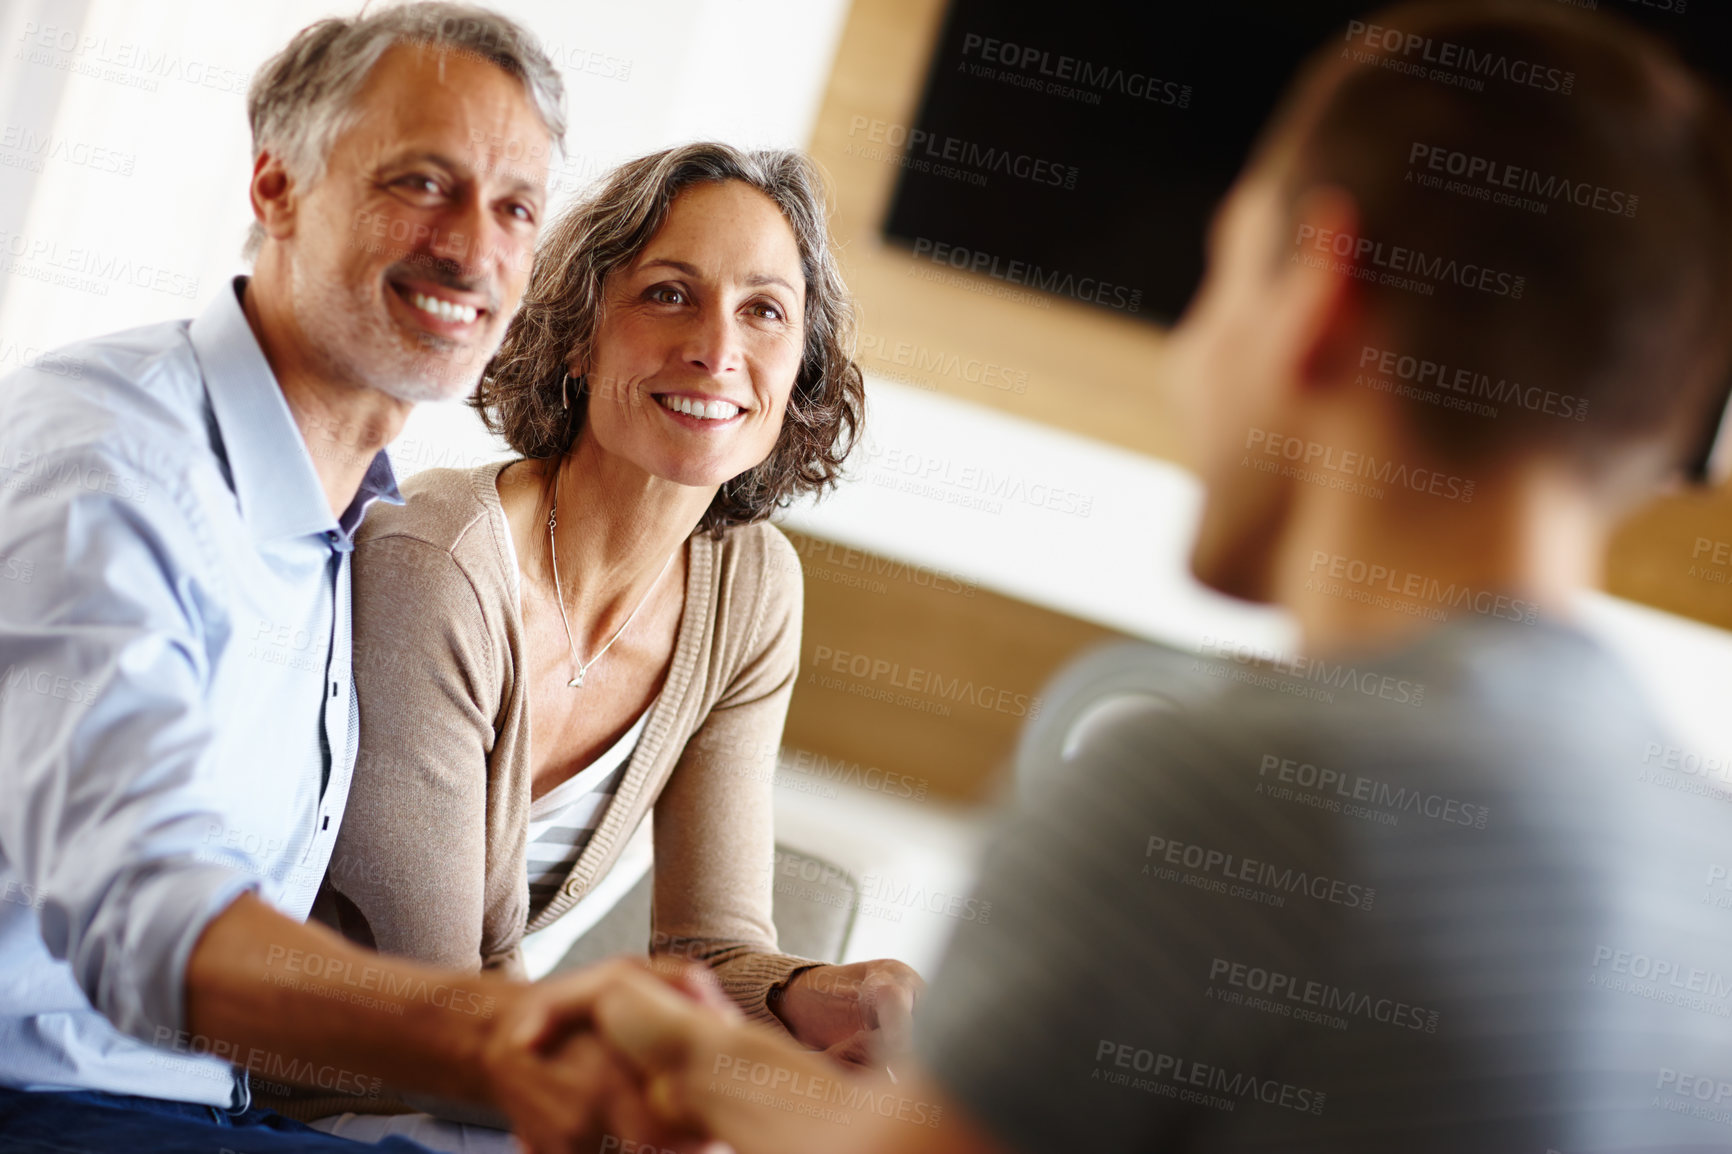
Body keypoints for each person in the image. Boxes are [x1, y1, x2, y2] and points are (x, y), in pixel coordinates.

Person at [557, 3, 1732, 1153]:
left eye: (1219, 273)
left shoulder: (1230, 792)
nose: (1189, 352)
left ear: (1319, 290)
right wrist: (707, 1056)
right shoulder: (1706, 875)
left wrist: (655, 1048)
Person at [0, 5, 691, 1151]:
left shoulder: (355, 511)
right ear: (275, 188)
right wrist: (500, 1037)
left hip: (197, 1108)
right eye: (423, 182)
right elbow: (145, 913)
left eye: (515, 207)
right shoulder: (109, 464)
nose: (476, 249)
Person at [292, 142, 921, 1146]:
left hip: (472, 1097)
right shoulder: (437, 561)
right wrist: (740, 1080)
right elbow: (440, 1001)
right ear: (580, 336)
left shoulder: (751, 587)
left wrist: (825, 995)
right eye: (670, 294)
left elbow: (709, 944)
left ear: (800, 364)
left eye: (763, 309)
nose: (718, 348)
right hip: (298, 1094)